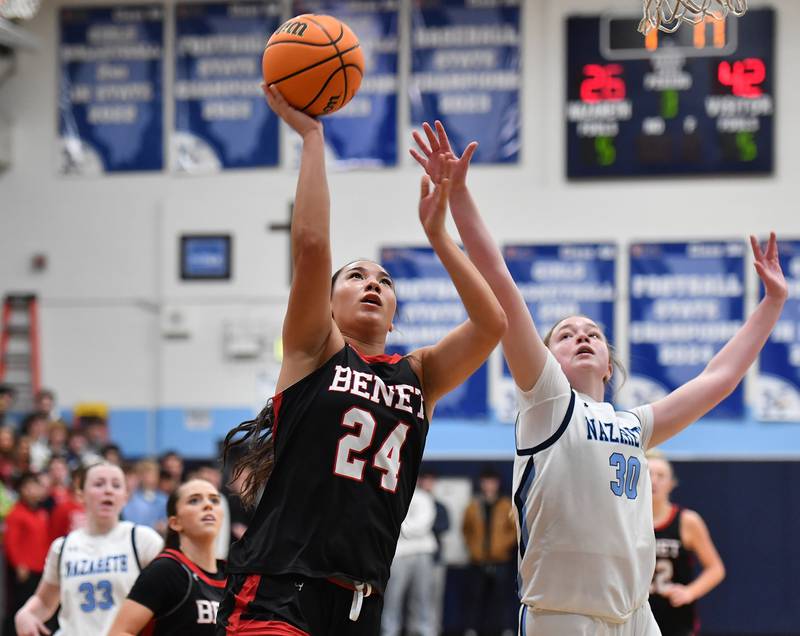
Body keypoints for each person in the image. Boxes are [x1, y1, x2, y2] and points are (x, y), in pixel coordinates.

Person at [411, 121, 787, 635]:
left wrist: (772, 304)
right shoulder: (546, 401)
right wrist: (459, 196)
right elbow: (499, 278)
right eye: (566, 334)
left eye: (592, 333)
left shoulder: (635, 424)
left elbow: (718, 379)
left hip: (636, 617)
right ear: (545, 358)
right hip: (562, 616)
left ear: (609, 364)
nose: (583, 337)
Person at [216, 86, 506, 636]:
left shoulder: (418, 374)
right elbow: (310, 245)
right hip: (281, 587)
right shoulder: (313, 350)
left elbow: (492, 324)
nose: (373, 283)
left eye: (385, 280)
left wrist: (438, 236)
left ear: (394, 314)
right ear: (326, 304)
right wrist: (312, 137)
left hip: (360, 600)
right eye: (356, 276)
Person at [14, 462, 164, 636]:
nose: (108, 490)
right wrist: (25, 614)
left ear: (125, 496)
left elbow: (169, 596)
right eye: (99, 484)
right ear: (81, 494)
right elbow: (45, 601)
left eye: (116, 485)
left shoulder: (143, 539)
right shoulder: (62, 547)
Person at [109, 478, 227, 635]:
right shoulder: (165, 570)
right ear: (175, 522)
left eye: (214, 500)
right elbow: (119, 632)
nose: (208, 505)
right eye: (194, 500)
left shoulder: (233, 576)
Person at [648, 452, 725, 636]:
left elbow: (716, 569)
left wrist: (689, 592)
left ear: (672, 483)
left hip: (676, 618)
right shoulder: (628, 521)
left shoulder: (687, 521)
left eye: (661, 476)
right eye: (649, 474)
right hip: (638, 614)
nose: (654, 481)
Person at [461, 467, 517, 636]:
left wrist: (501, 546)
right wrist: (474, 548)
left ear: (498, 483)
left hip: (500, 560)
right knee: (475, 598)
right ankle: (472, 629)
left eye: (492, 481)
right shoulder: (473, 505)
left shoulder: (506, 505)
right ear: (481, 483)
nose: (489, 485)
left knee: (502, 598)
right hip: (478, 561)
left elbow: (514, 530)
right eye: (486, 481)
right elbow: (466, 529)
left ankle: (505, 628)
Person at [381, 483, 438, 636]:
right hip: (397, 555)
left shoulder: (424, 497)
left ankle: (424, 631)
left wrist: (401, 528)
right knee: (393, 598)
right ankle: (389, 631)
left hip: (422, 553)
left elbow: (424, 524)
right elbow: (384, 521)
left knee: (423, 597)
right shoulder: (390, 494)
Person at [4, 472, 49, 635]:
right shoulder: (16, 513)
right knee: (20, 609)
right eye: (28, 487)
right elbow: (11, 542)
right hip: (25, 571)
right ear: (21, 490)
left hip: (41, 569)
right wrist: (18, 564)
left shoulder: (41, 513)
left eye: (35, 487)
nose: (32, 491)